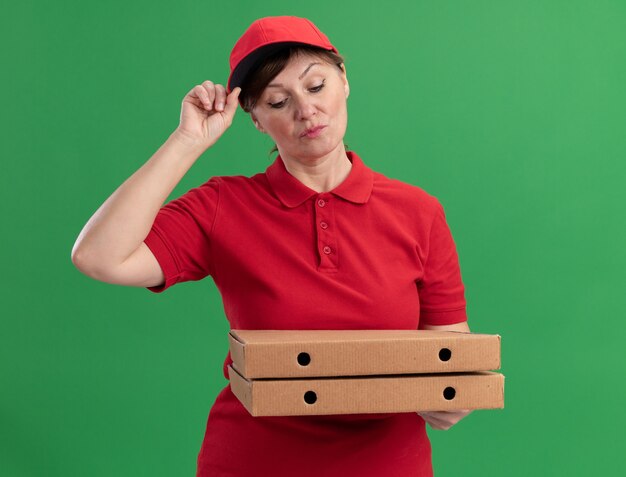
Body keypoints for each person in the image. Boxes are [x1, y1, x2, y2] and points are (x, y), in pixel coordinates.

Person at [71, 15, 472, 477]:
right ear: (257, 120)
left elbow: (450, 351)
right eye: (279, 101)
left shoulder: (418, 211)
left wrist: (452, 397)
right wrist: (187, 142)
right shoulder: (223, 205)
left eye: (316, 85)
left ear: (344, 80)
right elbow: (99, 256)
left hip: (387, 465)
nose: (306, 110)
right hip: (251, 462)